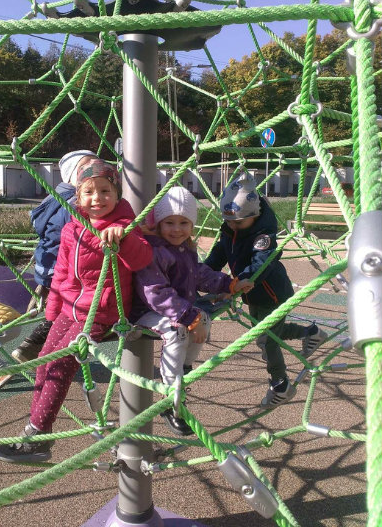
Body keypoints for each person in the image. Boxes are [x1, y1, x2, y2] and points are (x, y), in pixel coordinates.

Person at [0, 159, 153, 462]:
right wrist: (52, 312)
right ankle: (34, 430)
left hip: (101, 312)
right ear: (78, 196)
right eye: (89, 192)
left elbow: (142, 258)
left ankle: (39, 437)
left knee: (62, 363)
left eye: (105, 191)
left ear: (117, 194)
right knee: (44, 360)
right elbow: (62, 274)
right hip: (70, 308)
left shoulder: (123, 226)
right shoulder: (73, 228)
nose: (97, 198)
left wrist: (124, 236)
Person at [131, 186, 253, 437]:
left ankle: (182, 373)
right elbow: (155, 292)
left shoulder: (185, 248)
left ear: (192, 225)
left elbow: (198, 273)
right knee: (177, 332)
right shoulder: (154, 251)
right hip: (145, 310)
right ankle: (170, 400)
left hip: (175, 308)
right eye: (170, 223)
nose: (177, 229)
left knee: (204, 319)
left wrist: (228, 284)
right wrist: (188, 317)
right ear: (159, 224)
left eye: (184, 223)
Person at [204, 172, 327, 409]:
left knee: (267, 339)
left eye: (238, 222)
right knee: (269, 333)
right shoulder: (231, 230)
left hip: (273, 294)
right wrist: (200, 272)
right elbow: (219, 254)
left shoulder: (263, 237)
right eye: (228, 221)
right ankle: (311, 332)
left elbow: (261, 264)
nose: (232, 226)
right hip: (254, 295)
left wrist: (239, 282)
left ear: (254, 215)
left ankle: (281, 385)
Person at [12, 149, 98, 362]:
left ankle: (36, 347)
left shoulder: (53, 198)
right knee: (70, 312)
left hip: (46, 266)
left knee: (60, 308)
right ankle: (34, 347)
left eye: (96, 164)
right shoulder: (75, 203)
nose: (92, 170)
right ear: (71, 176)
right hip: (63, 269)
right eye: (85, 167)